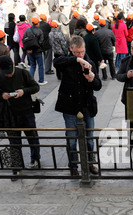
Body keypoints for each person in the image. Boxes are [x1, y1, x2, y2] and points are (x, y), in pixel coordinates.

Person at [53, 35, 102, 176]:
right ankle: (73, 166)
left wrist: (92, 79)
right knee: (72, 138)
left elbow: (98, 86)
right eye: (77, 52)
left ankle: (90, 163)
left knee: (90, 138)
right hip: (70, 107)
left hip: (86, 105)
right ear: (71, 50)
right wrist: (76, 60)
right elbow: (56, 62)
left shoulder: (90, 61)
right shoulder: (67, 61)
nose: (80, 54)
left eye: (82, 52)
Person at [0, 55, 41, 178]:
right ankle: (17, 167)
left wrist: (23, 91)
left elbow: (36, 86)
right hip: (9, 115)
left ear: (13, 64)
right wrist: (2, 96)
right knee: (14, 142)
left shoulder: (23, 73)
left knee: (33, 137)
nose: (8, 75)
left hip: (26, 112)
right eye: (5, 73)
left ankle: (35, 158)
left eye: (9, 72)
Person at [23, 17, 47, 85]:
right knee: (40, 66)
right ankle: (41, 80)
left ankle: (31, 81)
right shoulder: (40, 31)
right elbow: (41, 41)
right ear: (37, 23)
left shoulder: (27, 30)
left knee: (32, 65)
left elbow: (24, 40)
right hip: (38, 51)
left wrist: (28, 49)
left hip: (30, 51)